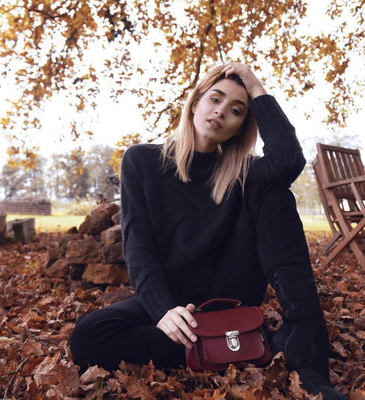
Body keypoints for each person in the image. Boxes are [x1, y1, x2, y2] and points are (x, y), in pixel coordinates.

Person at [69, 63, 347, 399]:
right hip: (176, 304)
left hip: (230, 300)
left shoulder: (246, 173)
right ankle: (247, 347)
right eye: (215, 99)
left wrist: (255, 86)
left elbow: (288, 160)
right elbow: (138, 246)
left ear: (238, 128)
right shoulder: (142, 161)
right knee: (89, 334)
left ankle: (304, 349)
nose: (220, 112)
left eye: (236, 111)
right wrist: (164, 311)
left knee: (274, 192)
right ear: (196, 101)